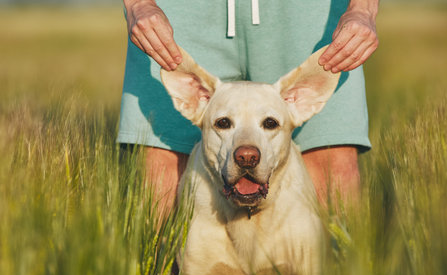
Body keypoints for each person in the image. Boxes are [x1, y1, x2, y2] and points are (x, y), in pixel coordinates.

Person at [119, 0, 379, 215]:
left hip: (309, 13)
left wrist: (362, 8)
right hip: (179, 11)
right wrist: (138, 4)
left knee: (332, 169)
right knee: (159, 175)